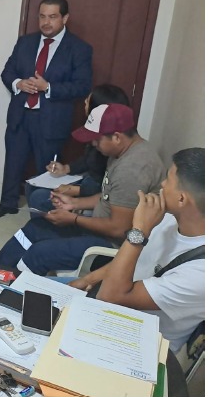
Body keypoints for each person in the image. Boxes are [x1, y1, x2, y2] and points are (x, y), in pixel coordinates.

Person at [0, 103, 165, 275]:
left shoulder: (132, 169)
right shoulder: (122, 152)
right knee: (33, 229)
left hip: (110, 245)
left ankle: (8, 287)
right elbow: (109, 196)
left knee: (38, 254)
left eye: (97, 139)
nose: (93, 143)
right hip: (97, 229)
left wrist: (73, 219)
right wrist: (74, 203)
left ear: (116, 137)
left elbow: (118, 229)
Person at [69, 148, 204, 353]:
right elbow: (131, 262)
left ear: (182, 199)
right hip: (112, 309)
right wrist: (87, 280)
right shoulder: (169, 219)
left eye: (168, 180)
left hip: (138, 343)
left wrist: (139, 230)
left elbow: (109, 296)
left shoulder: (200, 273)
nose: (162, 184)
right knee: (37, 300)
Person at [0, 0, 93, 218]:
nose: (46, 22)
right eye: (42, 16)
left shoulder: (79, 48)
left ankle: (44, 211)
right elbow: (7, 72)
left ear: (65, 18)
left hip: (52, 119)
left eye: (52, 17)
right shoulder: (25, 42)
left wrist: (48, 87)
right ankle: (8, 203)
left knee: (48, 168)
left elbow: (82, 86)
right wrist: (18, 83)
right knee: (13, 162)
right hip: (20, 115)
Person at [27, 84, 130, 214]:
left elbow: (106, 187)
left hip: (93, 191)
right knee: (32, 185)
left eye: (88, 101)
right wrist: (66, 169)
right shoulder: (97, 129)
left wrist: (75, 190)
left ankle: (54, 225)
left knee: (39, 197)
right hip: (87, 182)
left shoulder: (111, 142)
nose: (84, 103)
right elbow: (88, 159)